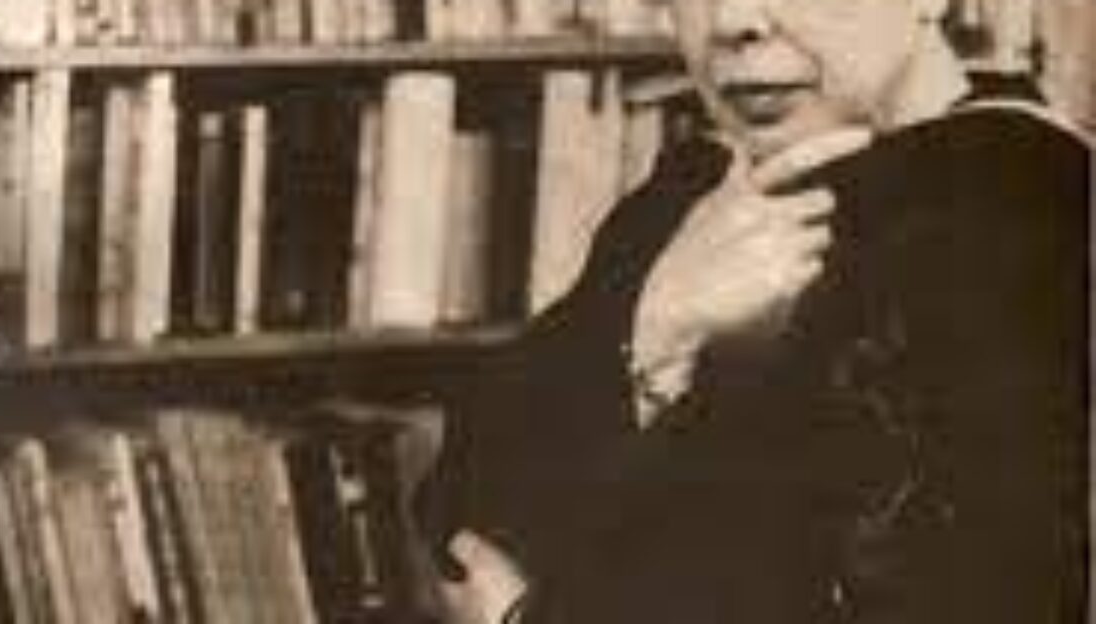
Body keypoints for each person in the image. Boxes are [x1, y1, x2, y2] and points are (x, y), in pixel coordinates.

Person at [417, 0, 1090, 622]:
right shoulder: (691, 193)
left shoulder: (1029, 208)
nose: (732, 20)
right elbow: (456, 516)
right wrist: (657, 326)